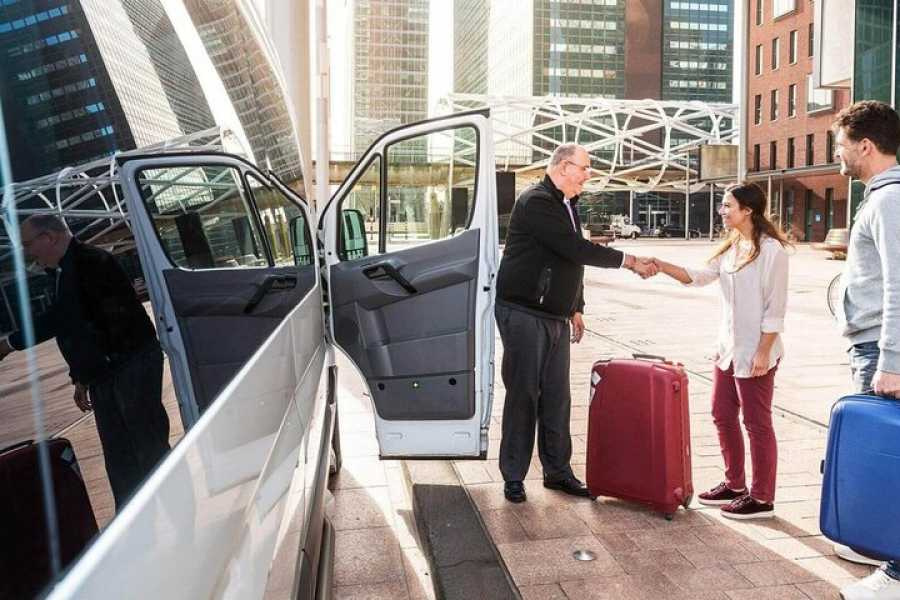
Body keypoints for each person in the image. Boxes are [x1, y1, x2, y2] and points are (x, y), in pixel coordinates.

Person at [494, 143, 657, 503]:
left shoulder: (568, 204)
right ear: (563, 167)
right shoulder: (536, 201)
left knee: (557, 397)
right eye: (584, 168)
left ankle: (557, 472)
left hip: (554, 314)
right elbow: (575, 248)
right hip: (525, 312)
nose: (588, 174)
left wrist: (575, 306)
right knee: (524, 395)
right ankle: (514, 476)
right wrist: (630, 261)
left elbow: (570, 262)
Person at [0, 215, 170, 510]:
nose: (28, 253)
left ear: (49, 237)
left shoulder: (91, 262)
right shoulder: (67, 269)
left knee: (147, 448)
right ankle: (131, 521)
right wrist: (80, 376)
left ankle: (175, 512)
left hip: (128, 366)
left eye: (28, 244)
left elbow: (65, 318)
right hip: (107, 372)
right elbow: (80, 329)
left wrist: (9, 343)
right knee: (120, 457)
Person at [651, 182, 790, 520]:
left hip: (756, 352)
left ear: (748, 210)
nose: (722, 211)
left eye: (728, 206)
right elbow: (698, 276)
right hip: (728, 350)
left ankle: (762, 498)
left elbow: (775, 309)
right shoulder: (732, 247)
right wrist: (659, 264)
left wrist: (763, 352)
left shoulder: (772, 251)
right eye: (722, 205)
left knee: (757, 424)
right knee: (722, 414)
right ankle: (735, 484)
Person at [830, 100, 900, 600]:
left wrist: (893, 362)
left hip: (882, 351)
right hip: (873, 345)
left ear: (866, 146)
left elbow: (899, 284)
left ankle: (894, 575)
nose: (839, 153)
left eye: (842, 145)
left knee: (888, 460)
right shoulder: (883, 198)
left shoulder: (889, 200)